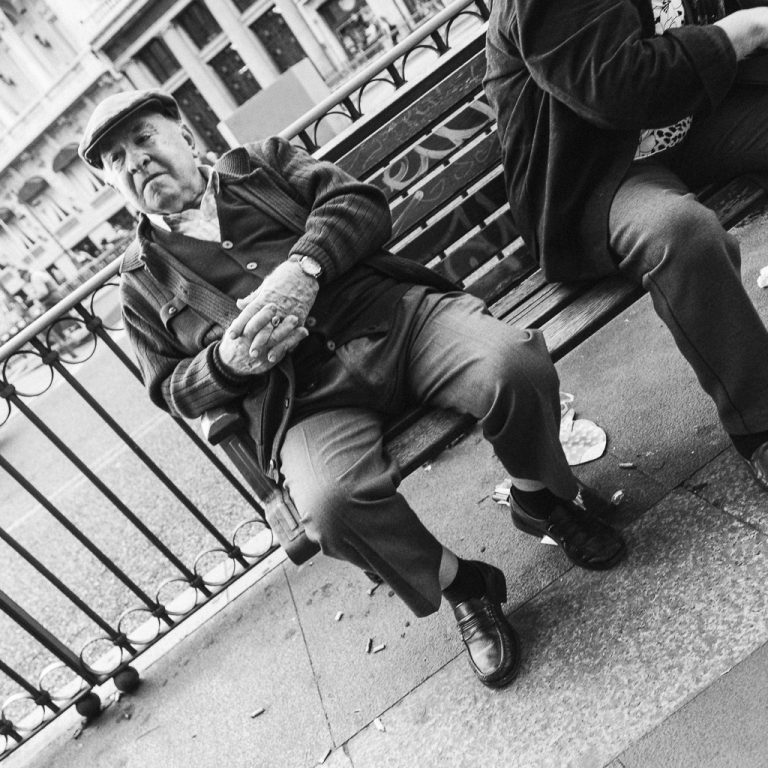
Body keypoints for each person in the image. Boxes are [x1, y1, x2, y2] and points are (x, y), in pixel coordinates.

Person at [78, 89, 626, 689]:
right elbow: (171, 389)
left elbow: (360, 203)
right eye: (115, 160)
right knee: (331, 509)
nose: (134, 162)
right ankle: (464, 586)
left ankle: (538, 499)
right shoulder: (139, 280)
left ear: (183, 134)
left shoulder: (263, 163)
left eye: (143, 139)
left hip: (395, 320)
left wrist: (304, 267)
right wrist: (229, 363)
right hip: (305, 398)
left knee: (513, 366)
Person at [484, 0, 768, 491]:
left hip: (688, 122)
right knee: (681, 234)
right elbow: (617, 86)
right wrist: (745, 30)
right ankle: (760, 426)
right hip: (597, 174)